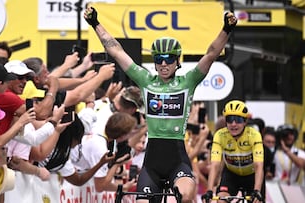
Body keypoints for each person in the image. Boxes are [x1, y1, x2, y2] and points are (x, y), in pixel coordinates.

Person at [84, 6, 237, 203]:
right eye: (159, 59)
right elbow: (116, 51)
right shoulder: (146, 81)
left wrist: (226, 29)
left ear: (177, 61)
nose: (164, 63)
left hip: (177, 159)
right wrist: (96, 24)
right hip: (152, 162)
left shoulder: (187, 82)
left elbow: (211, 54)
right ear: (155, 62)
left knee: (181, 198)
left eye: (169, 59)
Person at [202, 100, 264, 203]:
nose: (233, 124)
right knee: (221, 200)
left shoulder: (254, 135)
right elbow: (215, 165)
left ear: (245, 122)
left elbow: (258, 165)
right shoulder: (220, 135)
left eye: (238, 120)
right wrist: (209, 190)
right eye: (230, 120)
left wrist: (257, 190)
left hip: (252, 175)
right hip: (231, 174)